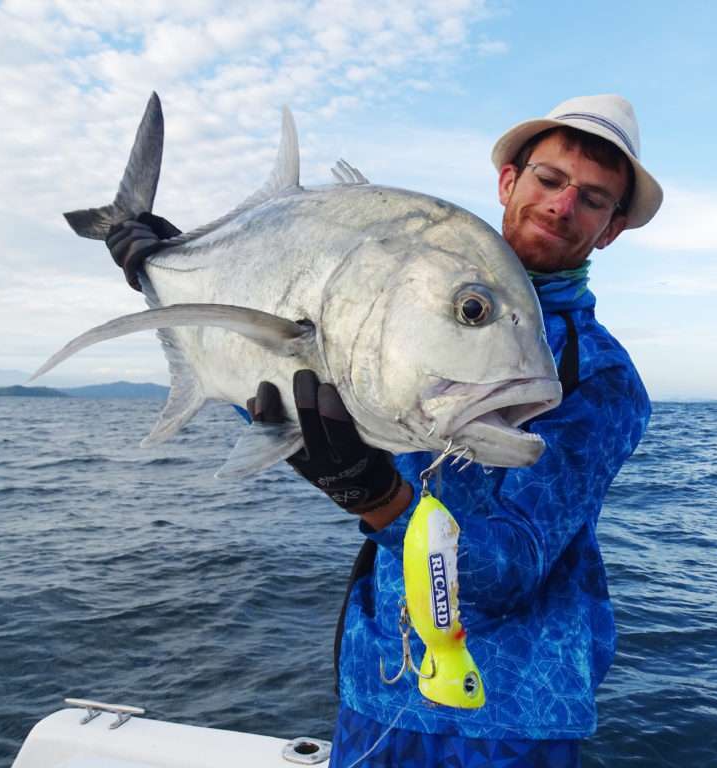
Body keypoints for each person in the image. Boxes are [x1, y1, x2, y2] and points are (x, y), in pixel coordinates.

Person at [107, 94, 662, 767]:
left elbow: (504, 574)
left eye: (595, 198)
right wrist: (160, 269)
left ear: (611, 229)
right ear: (510, 182)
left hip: (512, 717)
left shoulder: (602, 377)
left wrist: (378, 499)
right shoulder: (393, 289)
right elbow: (275, 393)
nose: (563, 205)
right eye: (550, 179)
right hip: (378, 686)